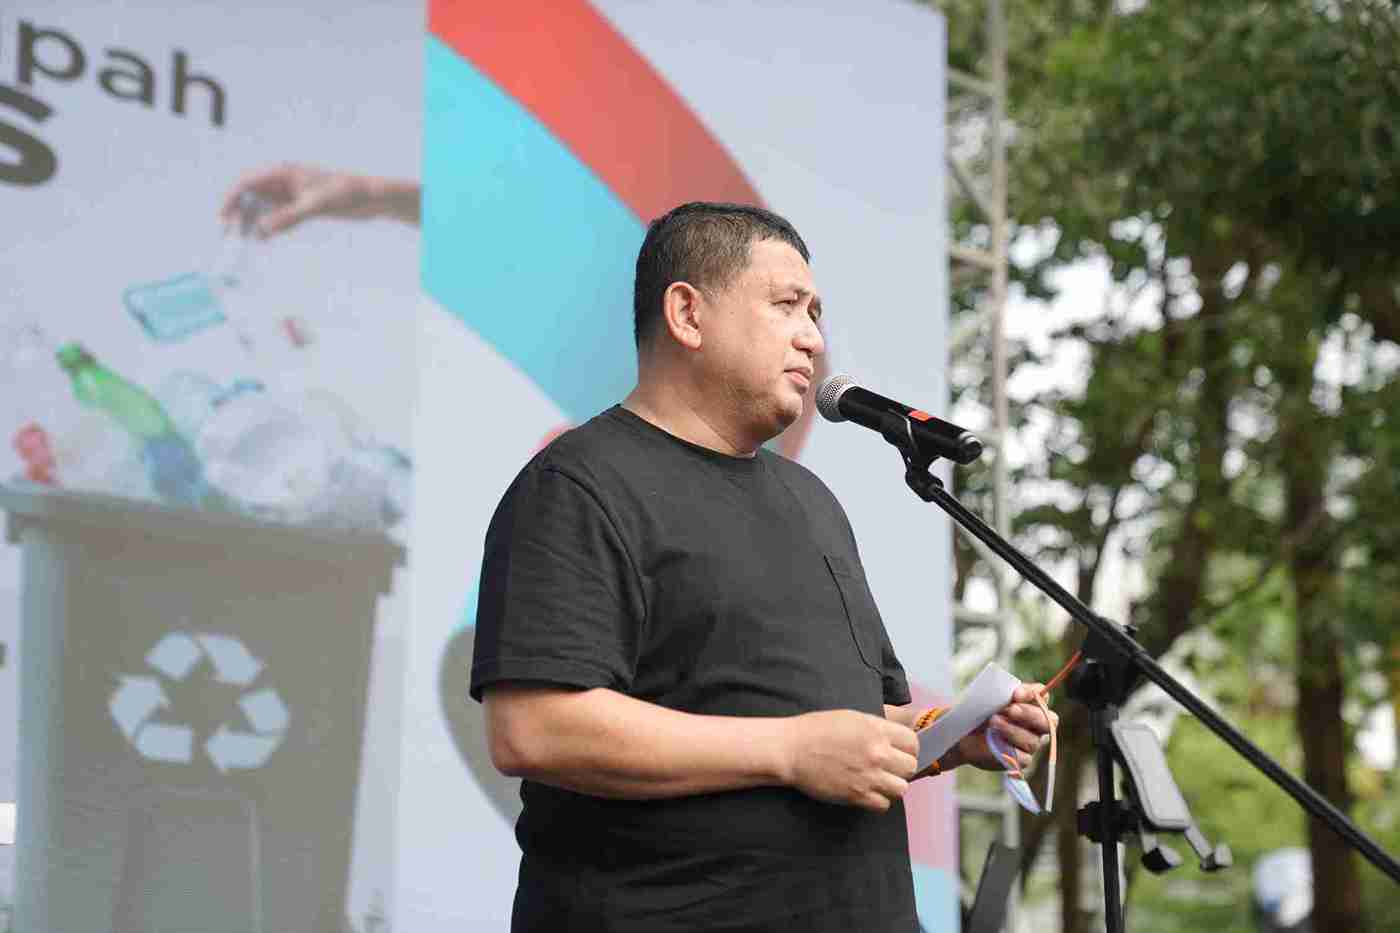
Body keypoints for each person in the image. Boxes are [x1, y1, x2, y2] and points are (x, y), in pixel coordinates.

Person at [470, 201, 1057, 933]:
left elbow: (852, 719)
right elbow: (533, 727)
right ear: (687, 314)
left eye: (816, 314)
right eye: (787, 306)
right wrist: (788, 750)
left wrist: (948, 735)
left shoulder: (812, 502)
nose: (814, 338)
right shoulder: (580, 486)